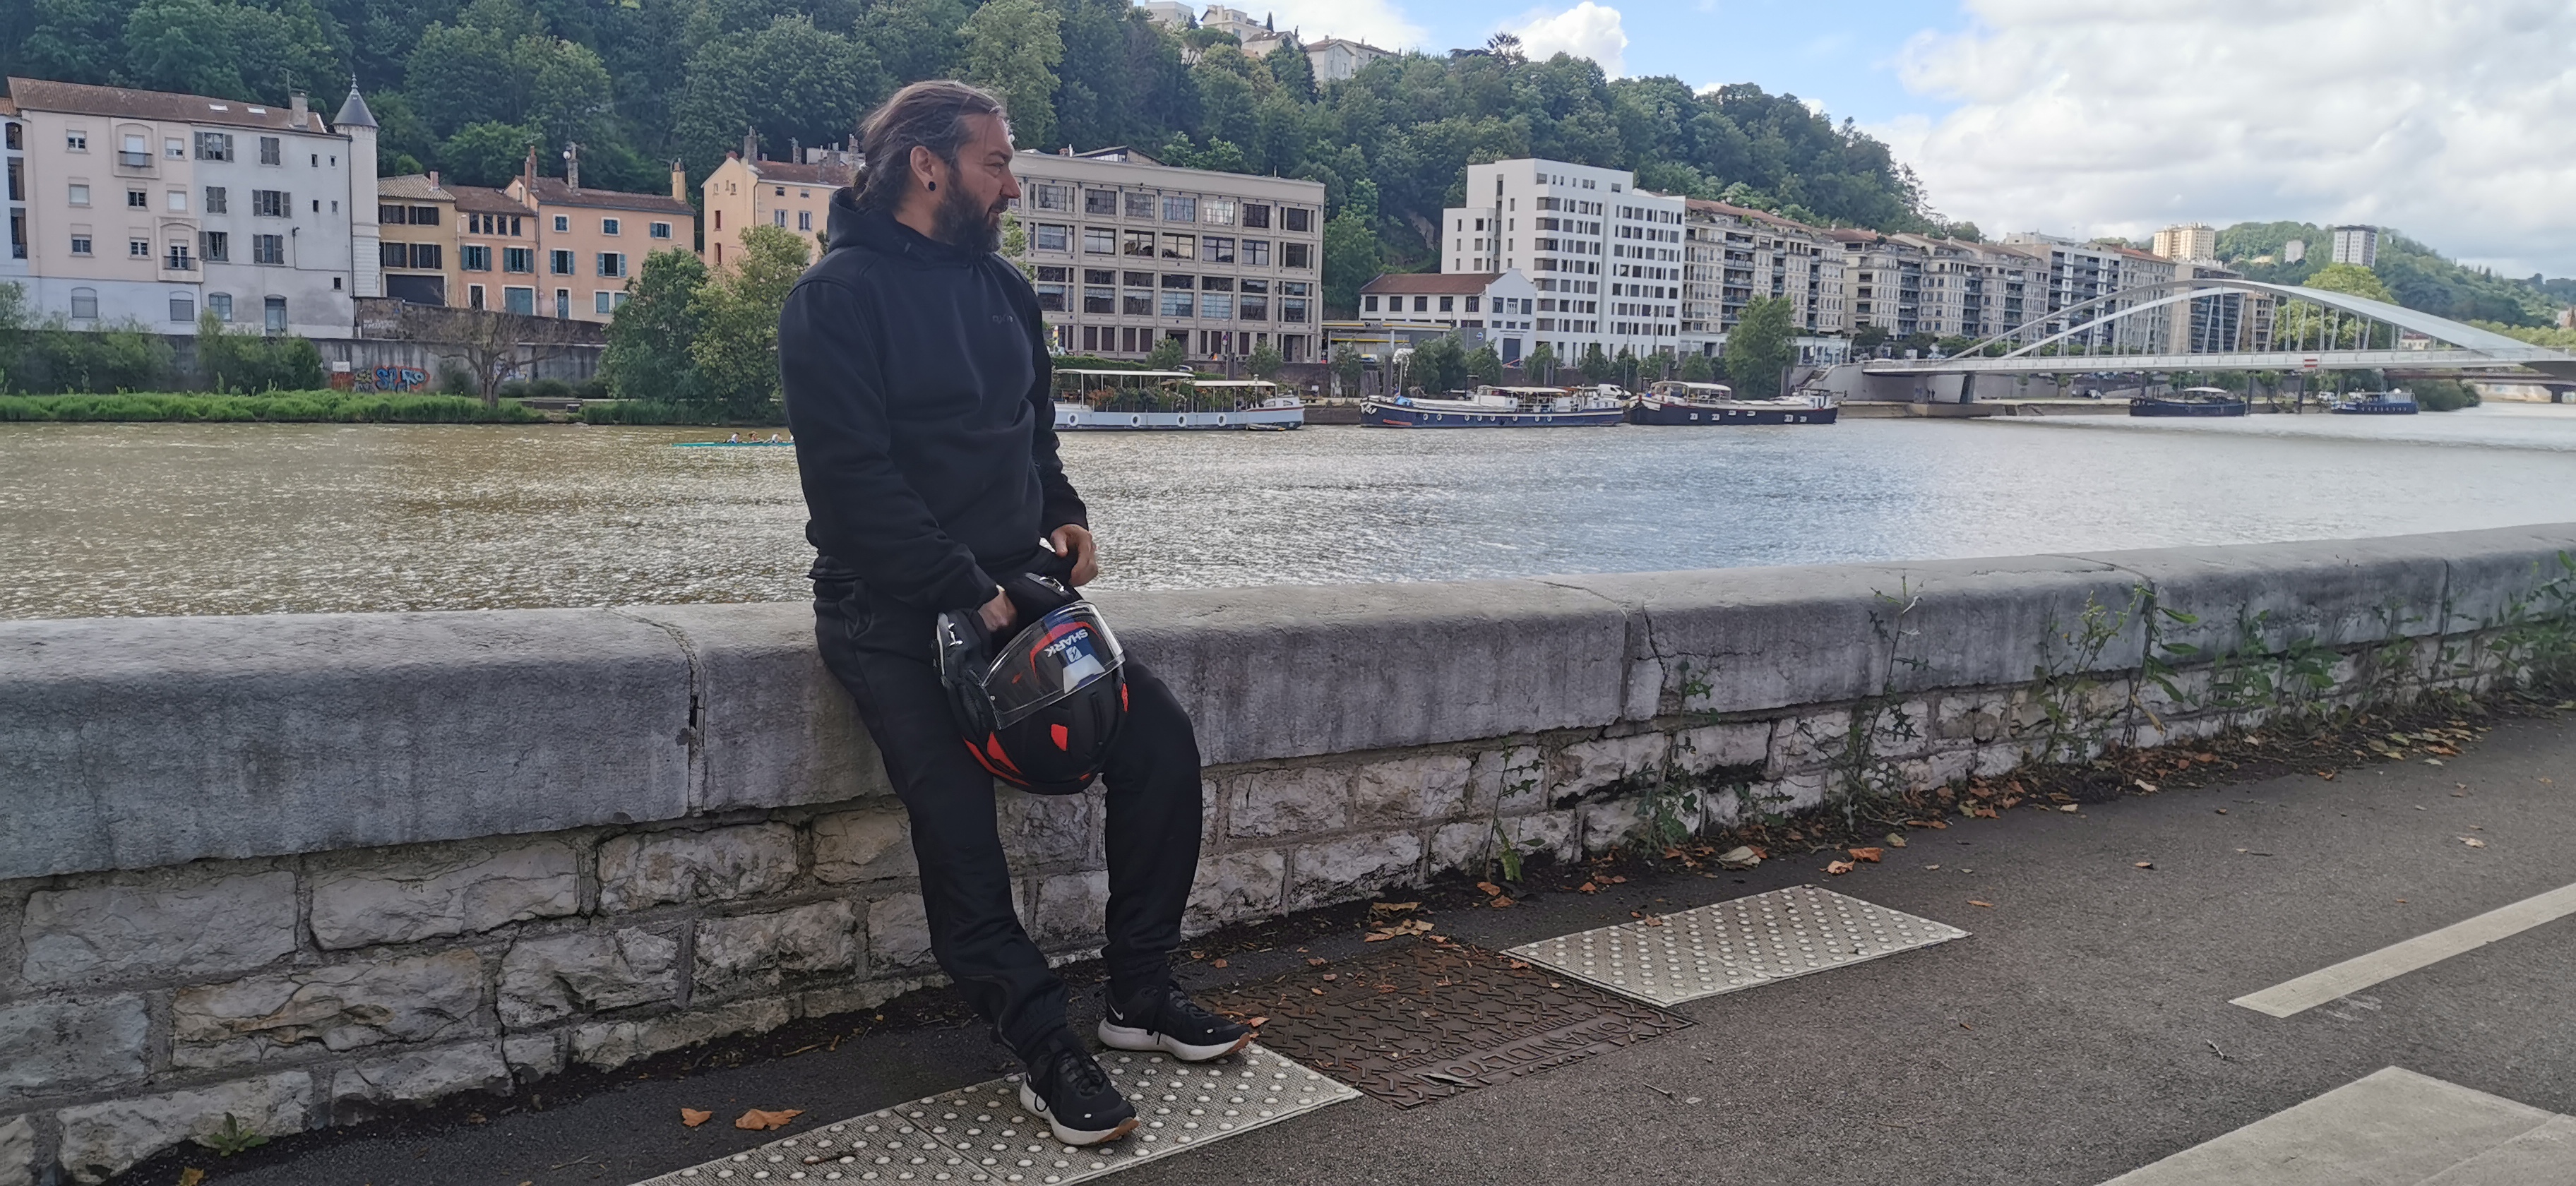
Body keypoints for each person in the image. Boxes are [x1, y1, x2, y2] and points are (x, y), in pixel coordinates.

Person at [776, 80, 1246, 1150]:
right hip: (888, 609)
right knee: (958, 829)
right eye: (996, 163)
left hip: (1016, 591)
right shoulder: (834, 299)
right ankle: (1041, 1044)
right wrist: (961, 585)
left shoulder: (1003, 289)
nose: (1013, 185)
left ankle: (1138, 997)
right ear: (926, 165)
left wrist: (1063, 514)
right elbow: (850, 487)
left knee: (1160, 743)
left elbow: (1033, 435)